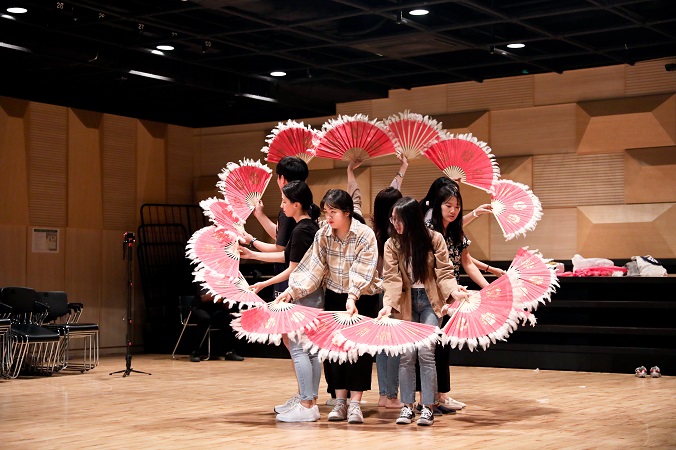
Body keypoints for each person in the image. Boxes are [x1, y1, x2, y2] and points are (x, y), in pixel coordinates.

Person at [276, 189, 380, 424]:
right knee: (334, 352)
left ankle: (355, 404)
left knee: (359, 352)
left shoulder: (365, 235)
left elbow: (364, 269)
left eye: (333, 212)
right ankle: (340, 402)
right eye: (326, 212)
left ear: (347, 213)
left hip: (363, 298)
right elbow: (312, 267)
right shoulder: (323, 234)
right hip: (334, 295)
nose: (329, 217)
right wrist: (292, 291)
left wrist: (353, 297)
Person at [378, 196, 468, 426]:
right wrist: (388, 304)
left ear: (412, 219)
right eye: (392, 219)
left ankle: (427, 406)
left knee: (426, 353)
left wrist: (454, 292)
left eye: (399, 220)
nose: (395, 224)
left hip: (430, 301)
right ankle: (407, 406)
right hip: (406, 304)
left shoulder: (434, 239)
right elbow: (391, 277)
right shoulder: (392, 244)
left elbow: (445, 273)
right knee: (406, 356)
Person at [240, 180, 323, 422]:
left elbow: (292, 269)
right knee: (309, 350)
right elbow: (287, 255)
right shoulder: (306, 228)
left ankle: (308, 404)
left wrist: (264, 284)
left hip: (304, 295)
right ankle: (308, 399)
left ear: (297, 205)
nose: (282, 206)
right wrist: (253, 251)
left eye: (285, 202)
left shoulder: (301, 230)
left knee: (299, 348)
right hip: (312, 294)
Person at [426, 182, 506, 410]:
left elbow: (467, 261)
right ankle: (430, 399)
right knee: (430, 349)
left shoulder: (455, 230)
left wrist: (487, 287)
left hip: (454, 295)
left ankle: (440, 396)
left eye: (457, 206)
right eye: (448, 205)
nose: (453, 210)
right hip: (433, 296)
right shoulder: (430, 231)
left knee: (443, 347)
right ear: (437, 205)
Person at [348, 155, 408, 409]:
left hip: (371, 294)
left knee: (382, 346)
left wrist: (350, 172)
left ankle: (385, 394)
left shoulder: (368, 229)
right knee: (391, 346)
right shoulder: (393, 237)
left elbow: (356, 200)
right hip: (388, 294)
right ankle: (390, 395)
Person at [243, 156, 309, 297]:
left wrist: (252, 242)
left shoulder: (291, 213)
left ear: (283, 179)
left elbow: (282, 251)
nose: (281, 205)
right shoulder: (306, 204)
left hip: (291, 278)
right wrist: (260, 215)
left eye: (284, 203)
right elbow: (281, 237)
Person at [188, 287, 244, 363]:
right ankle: (195, 351)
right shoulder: (202, 277)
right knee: (204, 319)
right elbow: (204, 298)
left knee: (229, 318)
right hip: (200, 307)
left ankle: (229, 352)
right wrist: (220, 293)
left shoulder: (222, 282)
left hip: (215, 309)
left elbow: (225, 306)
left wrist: (228, 299)